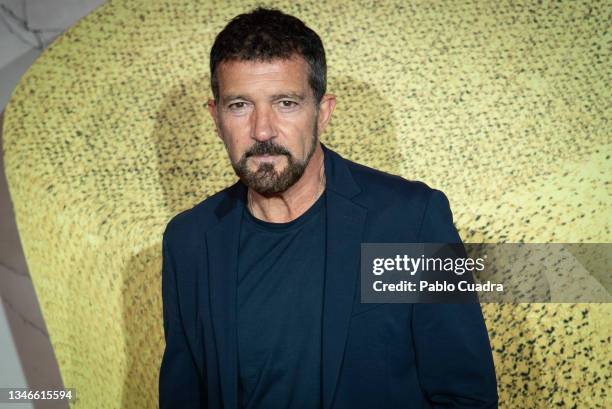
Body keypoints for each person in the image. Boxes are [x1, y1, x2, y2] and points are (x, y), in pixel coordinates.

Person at [159, 7, 498, 409]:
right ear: (216, 118)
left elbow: (466, 397)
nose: (262, 129)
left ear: (323, 111)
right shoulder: (190, 240)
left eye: (285, 103)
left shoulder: (410, 220)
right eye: (239, 106)